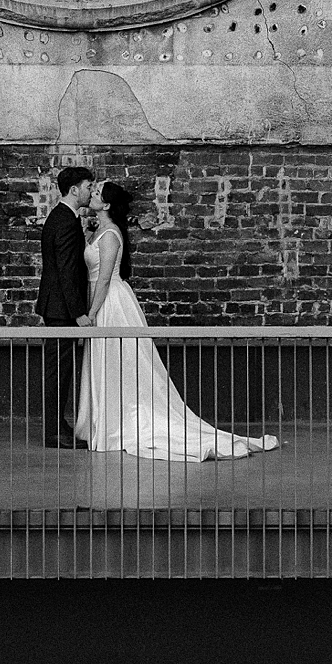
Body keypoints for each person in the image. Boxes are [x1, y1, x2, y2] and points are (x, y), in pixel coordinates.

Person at [73, 179, 278, 461]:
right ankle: (107, 421)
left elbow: (106, 278)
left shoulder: (110, 234)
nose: (92, 195)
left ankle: (119, 424)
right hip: (100, 297)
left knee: (120, 360)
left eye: (96, 193)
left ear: (106, 204)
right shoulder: (99, 230)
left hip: (110, 303)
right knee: (109, 362)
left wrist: (92, 313)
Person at [34, 163, 94, 446]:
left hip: (54, 306)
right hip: (61, 309)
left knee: (59, 369)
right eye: (87, 187)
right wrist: (78, 312)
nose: (90, 191)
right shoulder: (67, 222)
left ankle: (57, 426)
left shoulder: (58, 217)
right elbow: (67, 271)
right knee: (59, 370)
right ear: (74, 190)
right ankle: (55, 432)